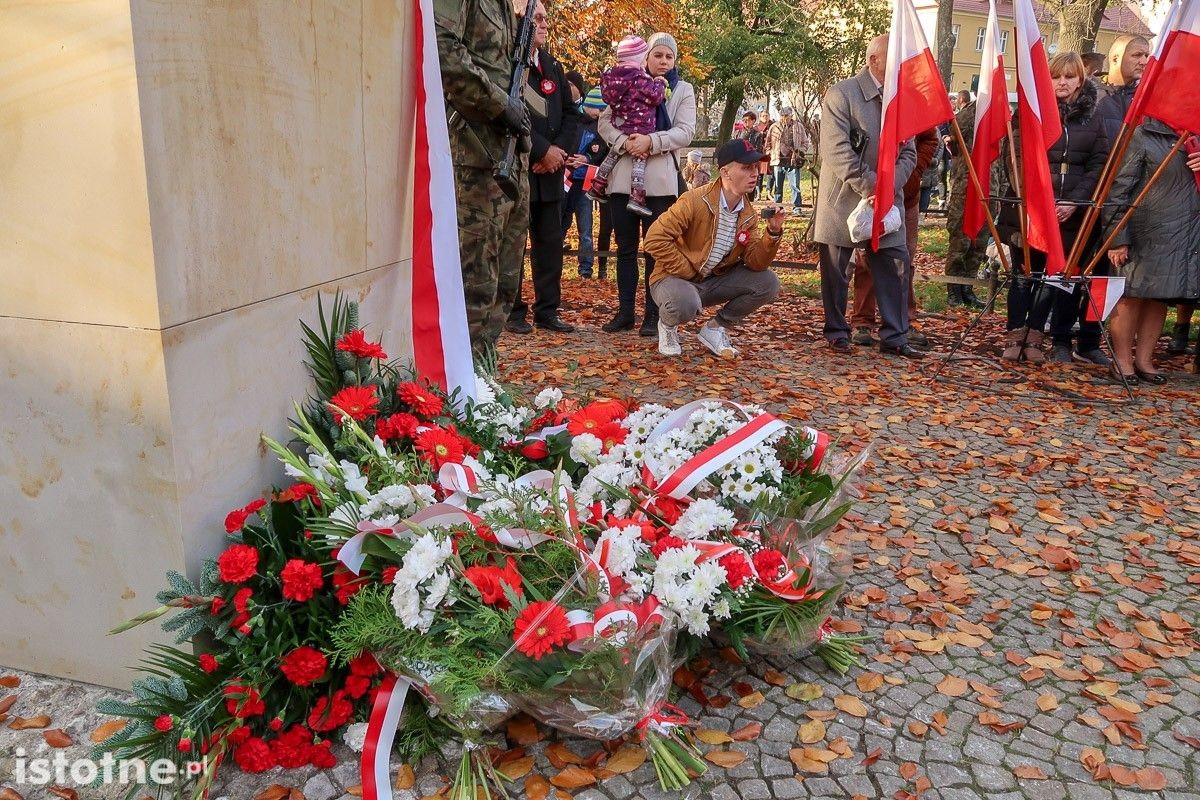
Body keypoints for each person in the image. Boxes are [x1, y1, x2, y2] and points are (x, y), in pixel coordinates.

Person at [998, 53, 1110, 366]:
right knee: (1024, 274)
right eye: (1056, 76)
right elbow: (1015, 158)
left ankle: (1035, 336)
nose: (1062, 82)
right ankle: (1015, 335)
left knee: (1052, 276)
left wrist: (1075, 200)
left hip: (1070, 211)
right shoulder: (1030, 111)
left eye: (1069, 77)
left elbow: (1098, 162)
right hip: (1030, 208)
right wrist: (1039, 202)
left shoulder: (1094, 117)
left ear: (1080, 80)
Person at [814, 35, 920, 358]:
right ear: (874, 60)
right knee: (836, 270)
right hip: (843, 199)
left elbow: (909, 154)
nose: (900, 65)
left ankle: (895, 336)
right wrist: (872, 187)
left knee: (896, 265)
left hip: (887, 201)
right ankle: (837, 332)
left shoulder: (901, 98)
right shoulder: (841, 94)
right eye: (893, 57)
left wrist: (887, 190)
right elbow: (836, 150)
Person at [435, 0, 531, 354]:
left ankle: (483, 371)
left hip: (509, 159)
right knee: (474, 283)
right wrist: (500, 104)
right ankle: (460, 373)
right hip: (474, 159)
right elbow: (443, 51)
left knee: (505, 282)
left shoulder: (505, 6)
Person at [642, 139, 784, 358]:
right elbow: (654, 238)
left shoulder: (748, 214)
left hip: (710, 281)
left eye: (756, 167)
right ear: (725, 172)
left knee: (768, 282)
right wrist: (685, 269)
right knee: (685, 304)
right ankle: (668, 326)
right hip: (672, 279)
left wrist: (772, 233)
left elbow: (756, 263)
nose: (755, 173)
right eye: (746, 167)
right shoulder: (694, 200)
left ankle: (715, 328)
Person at [597, 32, 696, 336]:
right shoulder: (626, 81)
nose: (664, 61)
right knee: (625, 248)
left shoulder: (682, 90)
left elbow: (685, 131)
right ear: (646, 57)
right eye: (658, 55)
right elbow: (604, 122)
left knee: (655, 248)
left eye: (669, 56)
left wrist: (651, 141)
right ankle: (625, 311)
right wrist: (625, 141)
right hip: (623, 178)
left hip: (660, 182)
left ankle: (654, 314)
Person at [1103, 118, 1200, 383]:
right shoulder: (1142, 134)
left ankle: (1144, 360)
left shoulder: (1196, 135)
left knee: (1159, 296)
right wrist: (1117, 237)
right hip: (1141, 232)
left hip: (1183, 235)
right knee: (1131, 295)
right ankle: (1122, 361)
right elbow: (1119, 188)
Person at [506, 0, 580, 334]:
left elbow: (572, 114)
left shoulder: (552, 65)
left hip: (550, 173)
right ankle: (512, 312)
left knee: (550, 245)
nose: (545, 24)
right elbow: (510, 112)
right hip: (519, 168)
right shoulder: (509, 61)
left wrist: (557, 153)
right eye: (537, 18)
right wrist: (540, 151)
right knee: (513, 245)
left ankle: (547, 311)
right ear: (519, 20)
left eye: (546, 19)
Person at [850, 126, 940, 349]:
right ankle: (863, 321)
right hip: (869, 192)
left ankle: (903, 321)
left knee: (903, 260)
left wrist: (914, 173)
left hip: (905, 196)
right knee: (866, 257)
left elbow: (930, 138)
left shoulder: (915, 107)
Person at [586, 36, 667, 217]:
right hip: (641, 125)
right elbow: (655, 97)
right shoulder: (640, 77)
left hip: (621, 123)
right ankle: (636, 196)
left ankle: (597, 184)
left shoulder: (613, 78)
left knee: (613, 154)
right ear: (640, 58)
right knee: (640, 158)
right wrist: (660, 83)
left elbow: (609, 101)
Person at [944, 91, 988, 309]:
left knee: (979, 244)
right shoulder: (970, 114)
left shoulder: (999, 117)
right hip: (965, 189)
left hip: (989, 191)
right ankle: (954, 289)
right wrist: (978, 108)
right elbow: (956, 131)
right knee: (960, 242)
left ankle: (968, 288)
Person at [562, 87, 609, 279]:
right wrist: (566, 157)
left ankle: (586, 269)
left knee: (586, 227)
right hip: (566, 179)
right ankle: (555, 263)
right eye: (600, 109)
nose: (601, 114)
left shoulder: (600, 127)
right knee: (561, 222)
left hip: (585, 183)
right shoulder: (573, 120)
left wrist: (588, 157)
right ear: (590, 105)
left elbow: (601, 150)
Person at [1095, 35, 1149, 139]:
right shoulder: (1088, 94)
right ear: (1115, 59)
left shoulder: (1147, 99)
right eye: (1137, 55)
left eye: (1146, 56)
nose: (1144, 62)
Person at [767, 108, 810, 213]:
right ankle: (778, 208)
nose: (784, 118)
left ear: (791, 115)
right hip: (778, 161)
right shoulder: (774, 127)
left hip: (793, 161)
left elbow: (805, 143)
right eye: (782, 116)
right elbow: (768, 142)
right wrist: (770, 152)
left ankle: (797, 208)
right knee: (778, 187)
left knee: (795, 186)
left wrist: (799, 151)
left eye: (786, 116)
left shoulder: (798, 126)